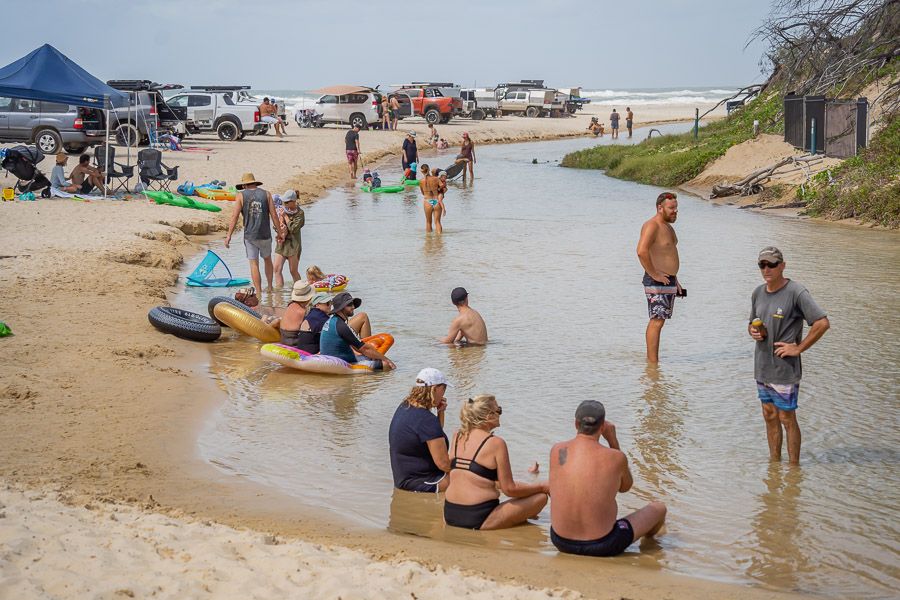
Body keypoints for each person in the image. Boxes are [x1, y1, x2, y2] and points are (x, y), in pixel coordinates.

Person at [549, 400, 667, 557]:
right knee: (659, 508)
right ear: (603, 426)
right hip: (602, 545)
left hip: (560, 540)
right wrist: (612, 440)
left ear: (576, 424)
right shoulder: (616, 457)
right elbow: (625, 487)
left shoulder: (557, 450)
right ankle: (653, 547)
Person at [749, 247, 829, 465]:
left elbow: (822, 323)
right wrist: (753, 331)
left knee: (787, 417)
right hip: (762, 366)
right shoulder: (757, 292)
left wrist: (798, 348)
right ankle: (774, 465)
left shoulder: (796, 292)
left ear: (782, 266)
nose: (766, 269)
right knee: (769, 414)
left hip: (785, 369)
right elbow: (751, 324)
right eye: (762, 265)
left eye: (772, 264)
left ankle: (794, 468)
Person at [444, 394, 549, 530]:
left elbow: (472, 475)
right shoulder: (496, 443)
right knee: (541, 497)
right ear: (489, 416)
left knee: (509, 486)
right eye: (499, 410)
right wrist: (542, 486)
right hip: (479, 518)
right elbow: (509, 489)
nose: (500, 413)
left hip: (450, 514)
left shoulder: (457, 436)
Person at [389, 368, 452, 492]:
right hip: (423, 481)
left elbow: (432, 435)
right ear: (434, 389)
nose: (444, 394)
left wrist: (440, 412)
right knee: (477, 479)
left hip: (404, 478)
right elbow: (443, 464)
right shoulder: (426, 420)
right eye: (443, 389)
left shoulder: (405, 405)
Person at [636, 192, 682, 363]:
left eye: (676, 208)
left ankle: (653, 362)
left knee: (660, 320)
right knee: (657, 321)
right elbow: (641, 251)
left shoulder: (668, 227)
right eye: (671, 208)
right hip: (656, 280)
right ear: (659, 208)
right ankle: (653, 365)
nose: (675, 211)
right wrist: (654, 273)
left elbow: (667, 254)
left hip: (668, 280)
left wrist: (674, 278)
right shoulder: (652, 225)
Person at [225, 173, 285, 293]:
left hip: (250, 235)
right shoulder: (266, 194)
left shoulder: (241, 196)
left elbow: (234, 216)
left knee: (254, 264)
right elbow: (274, 215)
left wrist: (229, 235)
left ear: (244, 185)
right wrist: (280, 233)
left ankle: (258, 292)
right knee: (267, 260)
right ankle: (269, 287)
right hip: (265, 234)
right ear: (254, 183)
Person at [319, 292, 395, 370]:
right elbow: (364, 349)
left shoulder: (332, 321)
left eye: (353, 304)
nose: (353, 307)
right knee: (386, 365)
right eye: (349, 305)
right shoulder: (342, 326)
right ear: (341, 308)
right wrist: (386, 359)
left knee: (372, 357)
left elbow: (357, 347)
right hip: (342, 363)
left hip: (331, 359)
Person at [273, 190, 304, 288]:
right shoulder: (281, 210)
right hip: (282, 244)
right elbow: (276, 226)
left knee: (293, 271)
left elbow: (294, 229)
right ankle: (279, 294)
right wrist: (280, 226)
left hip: (293, 245)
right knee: (276, 269)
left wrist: (285, 217)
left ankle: (300, 291)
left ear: (293, 201)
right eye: (283, 202)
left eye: (286, 202)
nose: (284, 204)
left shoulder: (300, 213)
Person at [277, 281, 317, 348]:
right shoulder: (303, 311)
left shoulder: (290, 305)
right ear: (309, 297)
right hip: (294, 345)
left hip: (284, 341)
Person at [418, 164, 445, 234]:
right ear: (429, 169)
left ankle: (428, 241)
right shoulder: (436, 179)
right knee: (437, 222)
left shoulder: (421, 181)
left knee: (428, 222)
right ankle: (439, 239)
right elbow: (442, 186)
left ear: (422, 171)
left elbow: (423, 193)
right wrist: (438, 190)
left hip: (427, 201)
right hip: (436, 201)